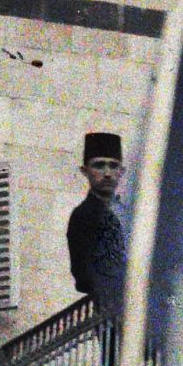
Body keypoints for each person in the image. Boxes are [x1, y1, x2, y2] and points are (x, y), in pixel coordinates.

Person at [67, 130, 129, 314]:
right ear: (84, 171)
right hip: (109, 309)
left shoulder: (127, 212)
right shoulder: (83, 215)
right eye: (99, 166)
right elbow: (82, 273)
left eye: (113, 166)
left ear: (122, 171)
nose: (108, 173)